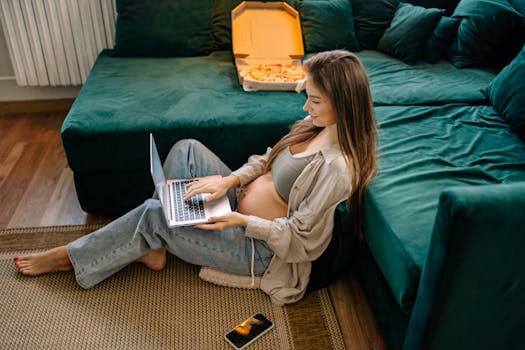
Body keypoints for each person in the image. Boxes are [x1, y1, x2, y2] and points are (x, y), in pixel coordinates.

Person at [13, 50, 377, 305]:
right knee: (186, 149)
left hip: (259, 250)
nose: (304, 107)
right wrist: (229, 183)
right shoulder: (312, 126)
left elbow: (301, 242)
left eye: (313, 101)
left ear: (342, 104)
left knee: (155, 214)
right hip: (236, 207)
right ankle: (157, 244)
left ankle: (71, 258)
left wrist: (240, 219)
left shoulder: (337, 168)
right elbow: (266, 160)